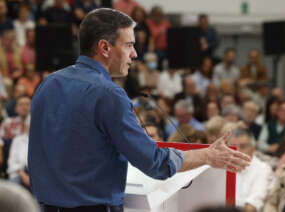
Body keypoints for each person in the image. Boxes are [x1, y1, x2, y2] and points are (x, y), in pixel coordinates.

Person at [28, 9, 250, 212]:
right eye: (128, 45)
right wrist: (207, 155)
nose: (134, 54)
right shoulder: (109, 94)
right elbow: (155, 163)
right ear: (105, 47)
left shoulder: (48, 84)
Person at [228, 128, 274, 212]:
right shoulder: (221, 167)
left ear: (253, 149)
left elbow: (252, 206)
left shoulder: (262, 169)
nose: (237, 151)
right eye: (233, 147)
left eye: (242, 147)